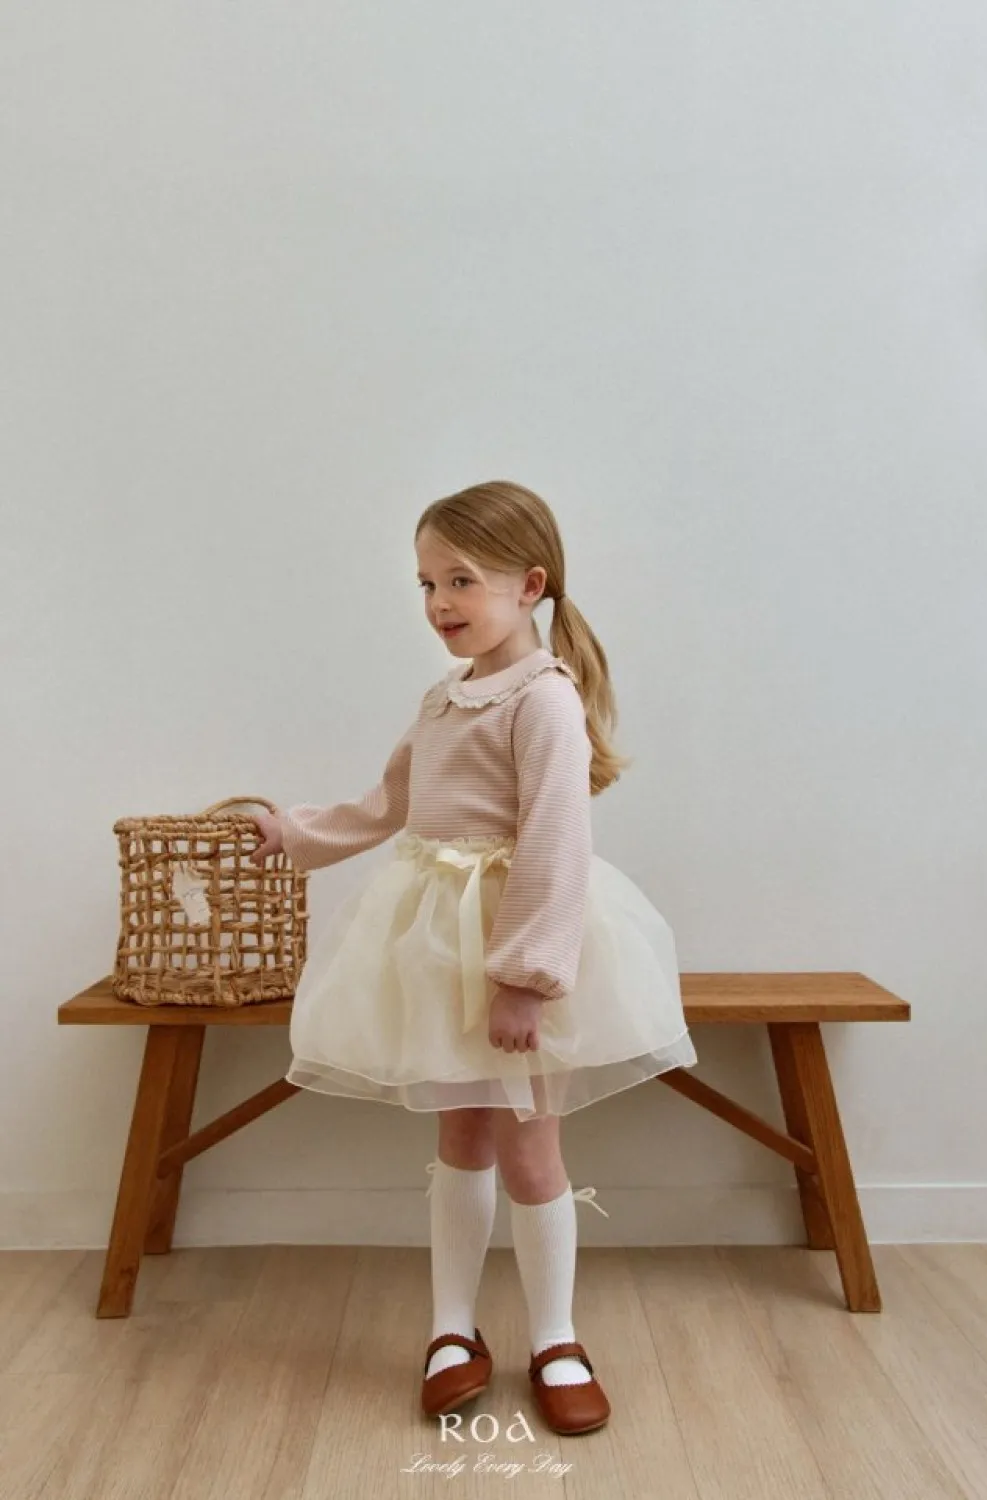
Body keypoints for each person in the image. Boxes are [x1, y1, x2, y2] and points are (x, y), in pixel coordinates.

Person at [248, 479, 697, 1437]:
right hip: (436, 946)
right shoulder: (443, 699)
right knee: (460, 1137)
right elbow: (389, 803)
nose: (439, 603)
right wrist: (296, 832)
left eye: (461, 580)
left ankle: (556, 1336)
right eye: (426, 583)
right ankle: (451, 1329)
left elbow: (555, 843)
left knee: (532, 1145)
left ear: (529, 585)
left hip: (517, 945)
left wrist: (525, 980)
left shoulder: (545, 700)